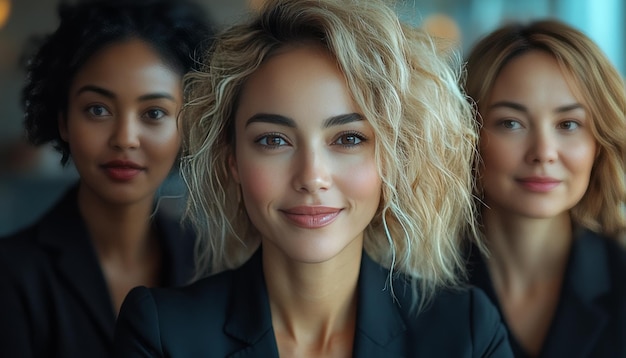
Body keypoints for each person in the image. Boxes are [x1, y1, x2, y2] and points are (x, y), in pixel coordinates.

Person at [113, 0, 514, 356]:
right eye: (273, 140)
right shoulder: (163, 333)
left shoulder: (467, 332)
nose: (311, 177)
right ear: (230, 157)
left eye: (348, 138)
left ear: (394, 157)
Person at [0, 0, 213, 357]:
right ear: (64, 120)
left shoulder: (209, 264)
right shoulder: (11, 276)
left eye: (154, 113)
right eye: (97, 109)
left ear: (188, 125)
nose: (125, 138)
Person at [464, 19, 626, 358]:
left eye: (568, 124)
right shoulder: (413, 289)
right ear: (467, 137)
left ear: (600, 144)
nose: (543, 152)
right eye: (511, 123)